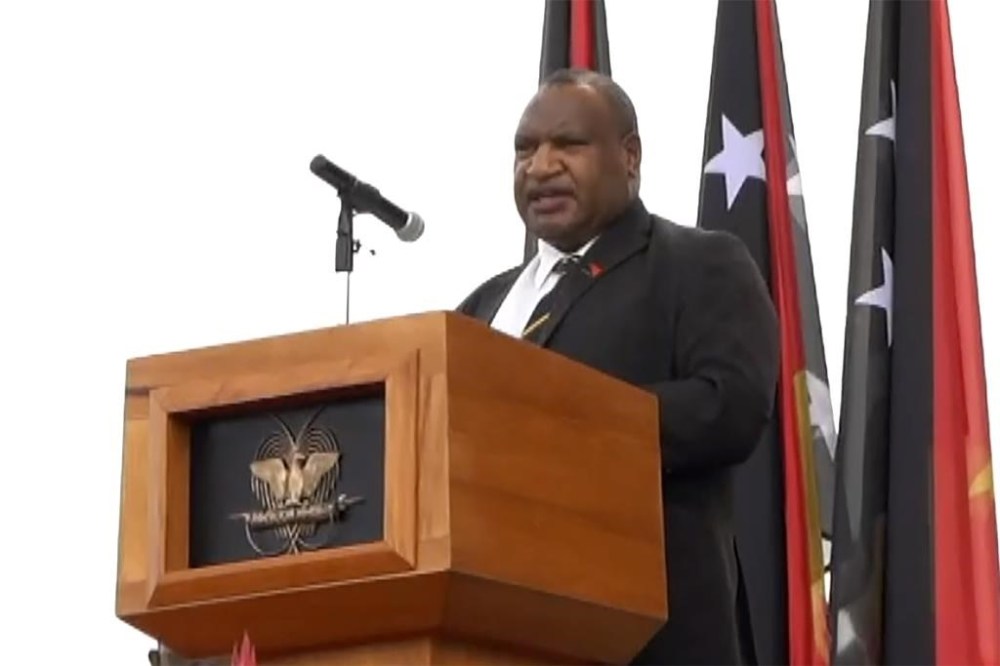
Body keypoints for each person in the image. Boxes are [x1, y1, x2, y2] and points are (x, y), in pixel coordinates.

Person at [456, 68, 779, 665]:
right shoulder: (482, 307)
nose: (540, 167)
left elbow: (729, 405)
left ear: (629, 156)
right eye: (525, 150)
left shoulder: (697, 264)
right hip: (497, 633)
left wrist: (556, 426)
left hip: (653, 639)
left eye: (568, 144)